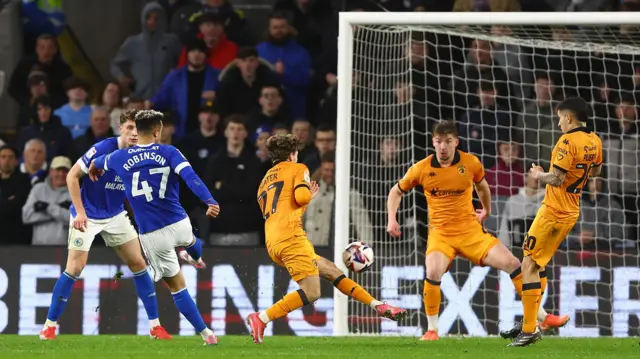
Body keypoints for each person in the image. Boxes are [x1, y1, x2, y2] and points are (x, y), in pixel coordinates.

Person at [386, 121, 569, 342]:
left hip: (471, 232)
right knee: (433, 271)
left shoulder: (470, 163)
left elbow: (482, 187)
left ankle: (542, 317)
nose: (443, 147)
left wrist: (486, 211)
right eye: (438, 141)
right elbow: (396, 191)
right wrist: (391, 219)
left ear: (456, 142)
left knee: (513, 263)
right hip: (441, 235)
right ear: (433, 142)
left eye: (447, 141)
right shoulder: (422, 168)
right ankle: (432, 330)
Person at [245, 134, 407, 344]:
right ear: (292, 155)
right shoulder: (298, 168)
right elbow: (301, 197)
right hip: (291, 237)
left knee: (332, 271)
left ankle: (378, 305)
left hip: (273, 241)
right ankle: (262, 318)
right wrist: (308, 197)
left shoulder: (264, 181)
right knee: (312, 292)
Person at [88, 110, 220, 345]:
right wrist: (209, 200)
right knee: (190, 242)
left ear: (136, 132)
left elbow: (98, 162)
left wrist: (95, 168)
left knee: (177, 288)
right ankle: (195, 256)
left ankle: (206, 334)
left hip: (152, 234)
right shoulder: (169, 152)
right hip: (179, 222)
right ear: (158, 131)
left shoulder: (119, 157)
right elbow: (191, 178)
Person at [39, 110, 171, 341]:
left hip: (116, 215)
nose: (133, 133)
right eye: (129, 128)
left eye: (137, 129)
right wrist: (79, 212)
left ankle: (155, 327)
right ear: (121, 128)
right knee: (75, 268)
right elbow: (71, 177)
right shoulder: (103, 149)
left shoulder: (141, 155)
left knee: (139, 263)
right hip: (87, 215)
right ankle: (49, 327)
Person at [507, 98, 603, 347]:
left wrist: (538, 174)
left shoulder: (567, 141)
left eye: (560, 117)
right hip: (571, 211)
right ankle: (537, 319)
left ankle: (530, 328)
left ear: (569, 118)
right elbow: (594, 173)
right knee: (537, 262)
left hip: (553, 211)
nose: (559, 122)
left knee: (528, 263)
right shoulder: (595, 140)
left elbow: (557, 179)